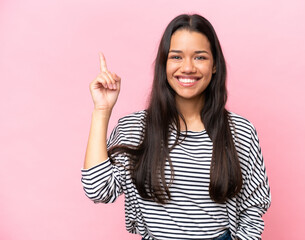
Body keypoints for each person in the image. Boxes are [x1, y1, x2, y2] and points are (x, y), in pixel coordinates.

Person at [81, 14, 271, 240]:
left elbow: (254, 207)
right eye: (176, 57)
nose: (188, 67)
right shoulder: (135, 128)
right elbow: (97, 189)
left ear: (215, 66)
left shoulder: (240, 131)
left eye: (200, 57)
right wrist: (102, 111)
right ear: (164, 64)